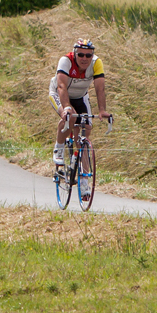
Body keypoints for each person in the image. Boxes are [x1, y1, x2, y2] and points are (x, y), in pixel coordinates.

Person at [48, 38, 112, 199]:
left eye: (88, 55)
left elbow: (100, 88)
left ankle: (84, 183)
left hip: (81, 96)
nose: (84, 58)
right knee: (70, 118)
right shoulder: (66, 61)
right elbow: (61, 86)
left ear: (92, 56)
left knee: (85, 133)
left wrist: (102, 110)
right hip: (59, 94)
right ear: (75, 53)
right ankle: (59, 148)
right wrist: (66, 107)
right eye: (81, 54)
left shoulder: (96, 63)